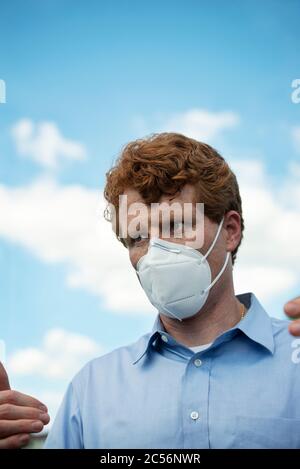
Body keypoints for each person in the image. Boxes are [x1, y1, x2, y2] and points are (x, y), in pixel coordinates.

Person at [0, 133, 299, 449]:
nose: (157, 251)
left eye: (175, 226)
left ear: (230, 231)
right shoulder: (91, 390)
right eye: (138, 238)